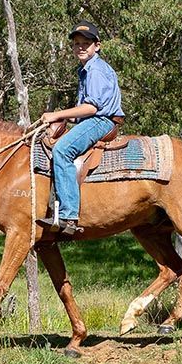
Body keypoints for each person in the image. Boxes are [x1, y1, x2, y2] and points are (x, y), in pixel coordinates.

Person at [36, 21, 124, 235]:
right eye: (77, 43)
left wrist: (57, 114)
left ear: (97, 46)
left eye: (86, 43)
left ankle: (68, 216)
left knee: (62, 150)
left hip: (101, 120)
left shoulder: (96, 70)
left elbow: (92, 107)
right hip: (93, 120)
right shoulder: (86, 70)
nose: (81, 47)